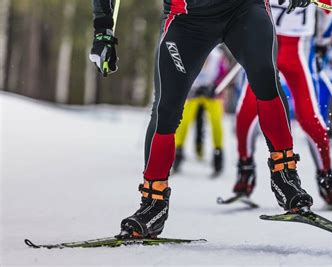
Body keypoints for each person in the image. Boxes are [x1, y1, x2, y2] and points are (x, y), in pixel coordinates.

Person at [90, 0, 316, 238]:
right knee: (166, 110)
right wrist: (103, 30)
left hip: (244, 9)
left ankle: (285, 176)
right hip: (187, 18)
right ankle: (153, 204)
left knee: (265, 77)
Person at [232, 0, 332, 208]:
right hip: (264, 47)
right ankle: (245, 170)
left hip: (298, 53)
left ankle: (327, 179)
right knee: (245, 114)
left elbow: (328, 13)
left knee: (310, 120)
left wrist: (321, 45)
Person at [173, 47, 229, 176]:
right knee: (183, 121)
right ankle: (178, 154)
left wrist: (215, 86)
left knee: (216, 123)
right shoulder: (190, 50)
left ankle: (218, 155)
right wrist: (188, 87)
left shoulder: (217, 55)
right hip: (194, 92)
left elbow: (224, 73)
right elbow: (180, 70)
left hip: (211, 93)